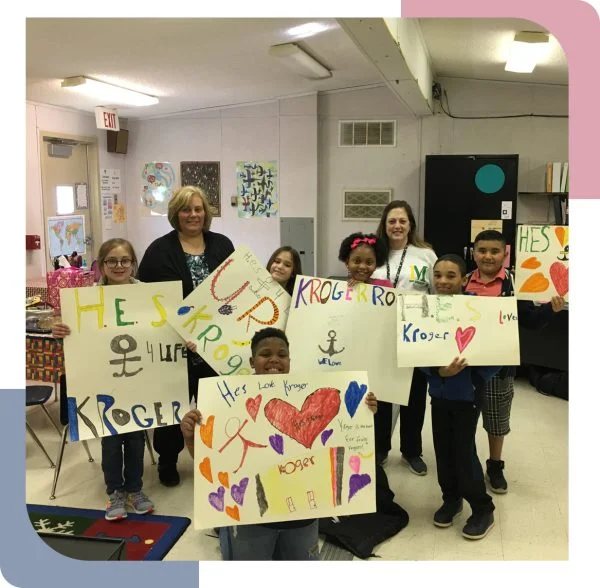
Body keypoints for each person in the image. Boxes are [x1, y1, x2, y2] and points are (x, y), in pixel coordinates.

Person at [180, 327, 378, 560]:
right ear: (252, 361)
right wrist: (191, 438)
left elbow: (346, 437)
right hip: (250, 518)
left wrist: (363, 413)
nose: (274, 359)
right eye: (265, 354)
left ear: (290, 361)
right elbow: (211, 462)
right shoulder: (230, 404)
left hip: (303, 516)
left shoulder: (312, 396)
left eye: (282, 355)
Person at [138, 185, 235, 487]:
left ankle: (216, 458)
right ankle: (167, 460)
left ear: (206, 212)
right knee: (172, 406)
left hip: (216, 345)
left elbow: (237, 288)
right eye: (186, 209)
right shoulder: (159, 250)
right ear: (175, 214)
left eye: (198, 208)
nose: (193, 215)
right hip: (174, 345)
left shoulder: (222, 245)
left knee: (215, 403)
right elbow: (141, 297)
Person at [51, 238, 154, 521]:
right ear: (102, 265)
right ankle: (115, 492)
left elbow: (163, 330)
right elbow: (76, 339)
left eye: (125, 260)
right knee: (110, 441)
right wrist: (61, 333)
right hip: (103, 384)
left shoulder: (149, 295)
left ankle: (135, 489)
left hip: (138, 381)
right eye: (112, 261)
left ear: (133, 263)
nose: (119, 266)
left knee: (136, 438)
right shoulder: (87, 299)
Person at [464, 230, 566, 493]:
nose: (488, 256)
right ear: (473, 253)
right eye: (482, 250)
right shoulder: (462, 282)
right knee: (463, 418)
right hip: (465, 365)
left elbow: (530, 321)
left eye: (494, 251)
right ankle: (466, 463)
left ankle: (495, 465)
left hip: (500, 366)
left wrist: (550, 309)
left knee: (497, 419)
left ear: (505, 254)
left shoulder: (514, 285)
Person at [421, 253, 499, 540]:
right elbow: (416, 350)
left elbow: (498, 350)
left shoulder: (478, 310)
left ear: (464, 279)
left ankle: (482, 507)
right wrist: (438, 372)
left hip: (467, 396)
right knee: (442, 449)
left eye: (451, 275)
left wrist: (473, 380)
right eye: (438, 275)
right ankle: (451, 499)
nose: (442, 281)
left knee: (463, 452)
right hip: (439, 393)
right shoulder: (424, 310)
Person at [370, 200, 438, 474]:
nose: (397, 226)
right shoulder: (375, 253)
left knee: (414, 395)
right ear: (384, 225)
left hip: (415, 335)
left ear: (411, 225)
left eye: (402, 221)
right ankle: (379, 448)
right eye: (392, 221)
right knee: (382, 393)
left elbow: (436, 292)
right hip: (380, 334)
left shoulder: (426, 255)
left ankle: (411, 451)